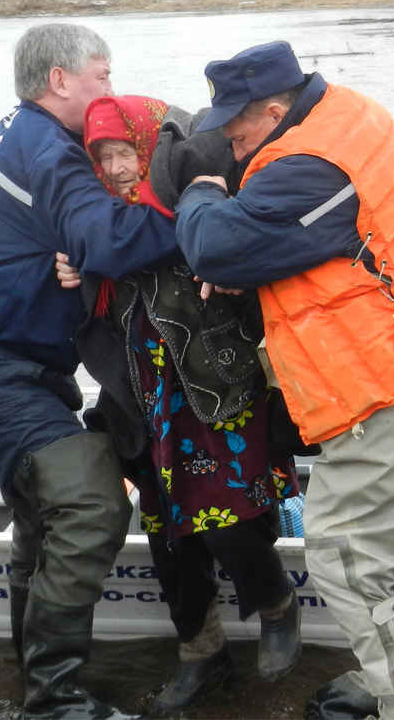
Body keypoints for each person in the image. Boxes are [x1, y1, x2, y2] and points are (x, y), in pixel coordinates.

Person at [173, 41, 394, 720]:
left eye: (238, 131)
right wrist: (257, 256)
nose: (232, 146)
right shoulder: (349, 115)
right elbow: (329, 244)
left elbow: (211, 244)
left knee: (350, 556)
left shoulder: (307, 164)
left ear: (277, 110)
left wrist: (200, 188)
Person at [0, 24, 179, 720]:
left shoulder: (31, 137)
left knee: (41, 518)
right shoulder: (49, 150)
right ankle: (56, 700)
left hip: (1, 364)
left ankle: (32, 679)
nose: (111, 88)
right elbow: (107, 238)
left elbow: (83, 241)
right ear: (59, 80)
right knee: (92, 500)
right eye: (102, 73)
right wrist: (194, 214)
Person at [66, 94, 303, 715]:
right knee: (169, 535)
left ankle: (277, 605)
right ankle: (200, 649)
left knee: (227, 517)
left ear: (150, 150)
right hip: (148, 403)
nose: (116, 168)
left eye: (124, 152)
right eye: (103, 156)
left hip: (217, 390)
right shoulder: (97, 229)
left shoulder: (197, 205)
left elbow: (255, 271)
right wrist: (72, 269)